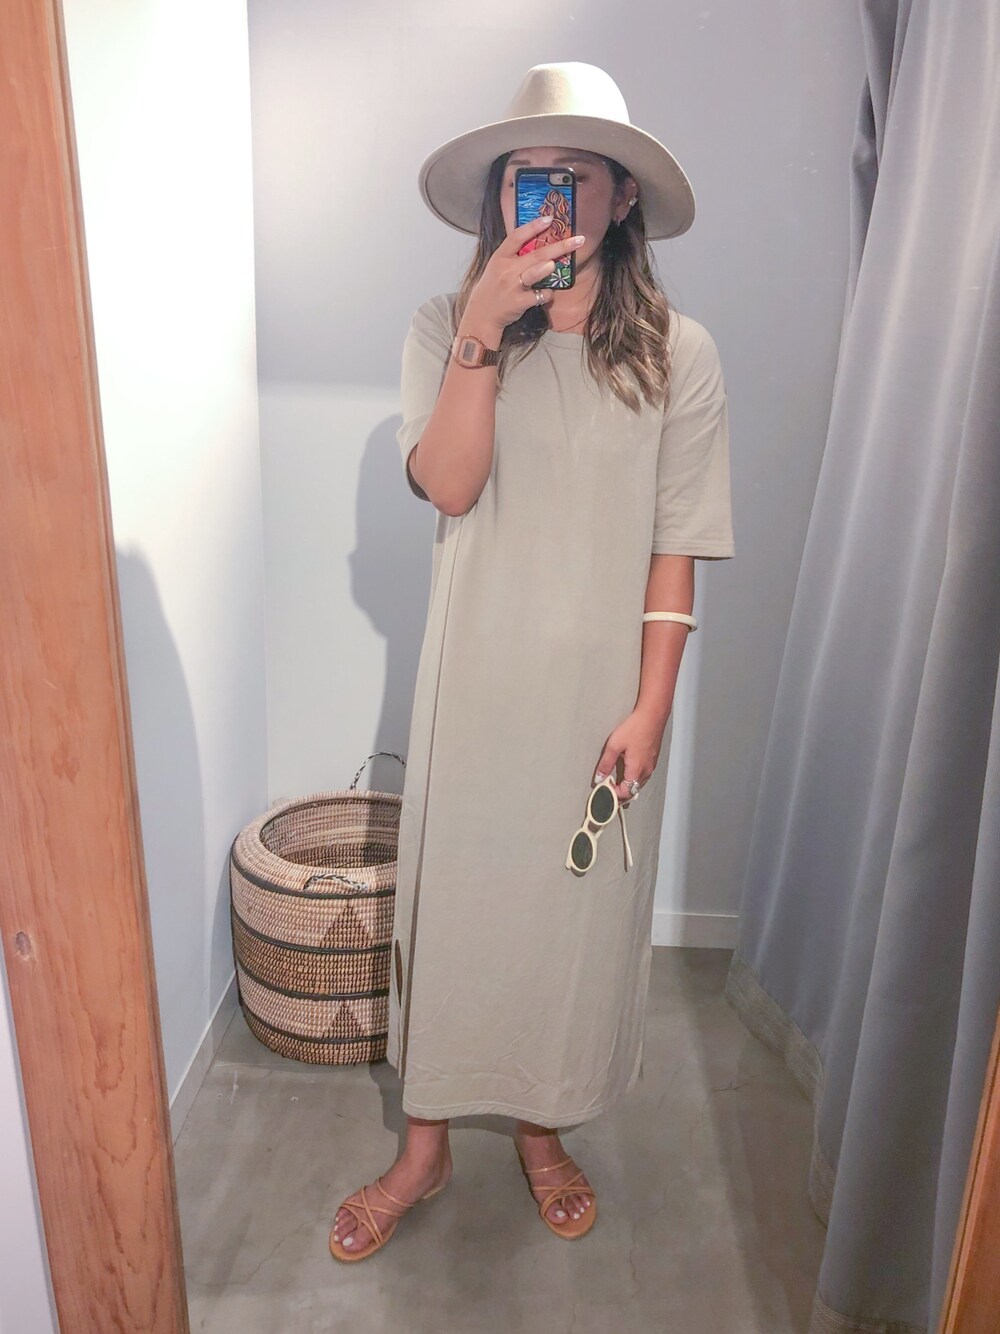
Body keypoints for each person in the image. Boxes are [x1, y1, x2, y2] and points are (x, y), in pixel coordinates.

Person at [330, 61, 735, 1262]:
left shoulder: (678, 354)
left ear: (621, 196)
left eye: (569, 176)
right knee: (453, 913)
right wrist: (480, 331)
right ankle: (423, 1147)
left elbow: (676, 547)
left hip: (595, 703)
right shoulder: (446, 328)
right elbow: (449, 484)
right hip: (474, 688)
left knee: (564, 927)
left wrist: (652, 706)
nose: (543, 199)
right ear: (498, 199)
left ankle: (541, 1127)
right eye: (523, 178)